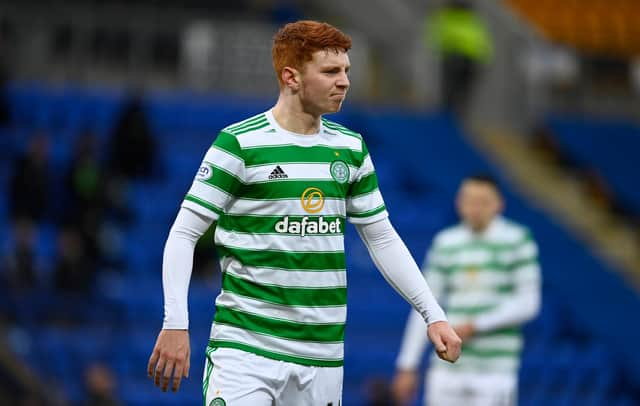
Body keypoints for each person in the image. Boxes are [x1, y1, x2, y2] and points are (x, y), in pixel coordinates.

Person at [147, 20, 461, 404]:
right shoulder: (240, 144)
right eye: (330, 71)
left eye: (346, 71)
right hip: (246, 350)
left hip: (323, 358)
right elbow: (184, 234)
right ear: (291, 77)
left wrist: (434, 314)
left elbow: (381, 237)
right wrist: (176, 323)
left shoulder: (351, 149)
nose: (344, 81)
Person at [392, 175, 542, 406]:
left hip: (495, 371)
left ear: (499, 203)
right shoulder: (446, 243)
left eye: (483, 201)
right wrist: (407, 364)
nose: (475, 208)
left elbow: (527, 304)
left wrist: (476, 325)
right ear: (458, 202)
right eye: (469, 200)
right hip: (447, 368)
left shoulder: (517, 241)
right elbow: (424, 304)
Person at [425, 0, 493, 115]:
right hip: (471, 60)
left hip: (454, 57)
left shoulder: (446, 18)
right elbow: (484, 44)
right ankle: (455, 117)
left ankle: (446, 117)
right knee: (463, 94)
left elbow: (435, 37)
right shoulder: (474, 21)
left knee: (449, 91)